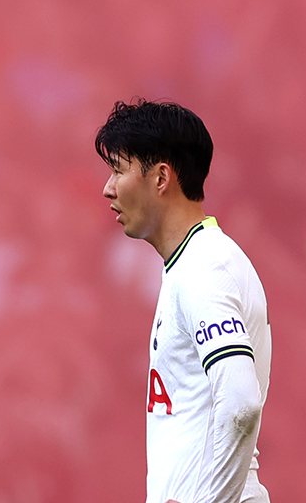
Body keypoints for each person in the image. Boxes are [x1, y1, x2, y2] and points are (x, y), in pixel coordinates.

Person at [98, 100, 272, 503]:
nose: (108, 188)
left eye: (118, 170)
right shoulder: (191, 264)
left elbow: (241, 403)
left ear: (161, 178)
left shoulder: (204, 266)